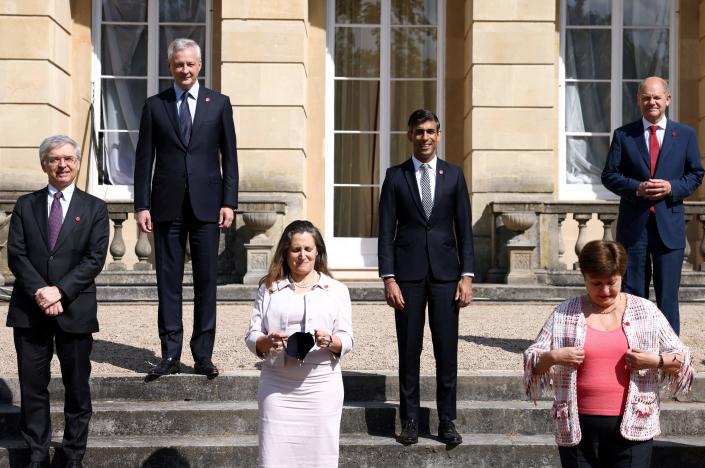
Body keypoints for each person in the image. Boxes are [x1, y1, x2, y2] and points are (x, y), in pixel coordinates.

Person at [523, 240, 694, 468]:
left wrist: (655, 360)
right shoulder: (564, 312)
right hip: (576, 427)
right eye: (596, 283)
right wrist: (554, 357)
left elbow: (684, 359)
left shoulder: (646, 310)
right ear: (584, 277)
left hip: (635, 426)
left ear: (621, 275)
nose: (605, 291)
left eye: (611, 282)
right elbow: (532, 362)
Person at [134, 38, 238, 378]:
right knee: (168, 283)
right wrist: (141, 205)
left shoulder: (219, 104)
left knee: (207, 282)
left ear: (200, 65)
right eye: (179, 64)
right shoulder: (154, 106)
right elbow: (143, 159)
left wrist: (229, 201)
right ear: (170, 67)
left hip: (208, 207)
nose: (185, 69)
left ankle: (203, 355)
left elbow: (230, 157)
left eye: (191, 63)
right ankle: (170, 354)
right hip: (165, 207)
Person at [6, 135, 109, 468]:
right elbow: (17, 255)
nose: (62, 165)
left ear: (78, 163)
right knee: (32, 387)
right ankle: (37, 453)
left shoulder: (95, 208)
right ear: (44, 164)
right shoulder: (25, 205)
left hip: (74, 308)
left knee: (77, 386)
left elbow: (94, 259)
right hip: (30, 310)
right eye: (54, 159)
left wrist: (60, 291)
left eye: (68, 159)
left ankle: (73, 453)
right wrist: (41, 291)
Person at [377, 109, 475, 445]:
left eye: (431, 131)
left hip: (447, 277)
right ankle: (410, 421)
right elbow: (385, 231)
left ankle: (447, 421)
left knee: (446, 351)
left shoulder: (455, 176)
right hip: (407, 278)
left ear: (439, 134)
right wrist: (388, 278)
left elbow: (464, 229)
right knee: (409, 350)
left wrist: (467, 275)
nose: (425, 138)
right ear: (410, 135)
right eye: (419, 132)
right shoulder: (394, 177)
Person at [245, 220, 353, 467]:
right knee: (274, 458)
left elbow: (347, 338)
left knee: (319, 459)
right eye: (296, 250)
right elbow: (252, 335)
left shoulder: (337, 290)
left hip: (321, 386)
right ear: (286, 252)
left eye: (308, 249)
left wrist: (331, 341)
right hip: (277, 385)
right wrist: (265, 342)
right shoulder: (268, 288)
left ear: (318, 252)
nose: (302, 255)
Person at [601, 76, 705, 334]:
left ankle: (669, 348)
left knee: (667, 294)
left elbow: (696, 174)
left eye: (657, 97)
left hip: (669, 225)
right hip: (634, 227)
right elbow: (609, 175)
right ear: (638, 100)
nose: (652, 102)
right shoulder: (624, 135)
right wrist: (636, 187)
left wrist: (672, 188)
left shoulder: (685, 135)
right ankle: (633, 343)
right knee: (633, 291)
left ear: (667, 100)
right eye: (646, 97)